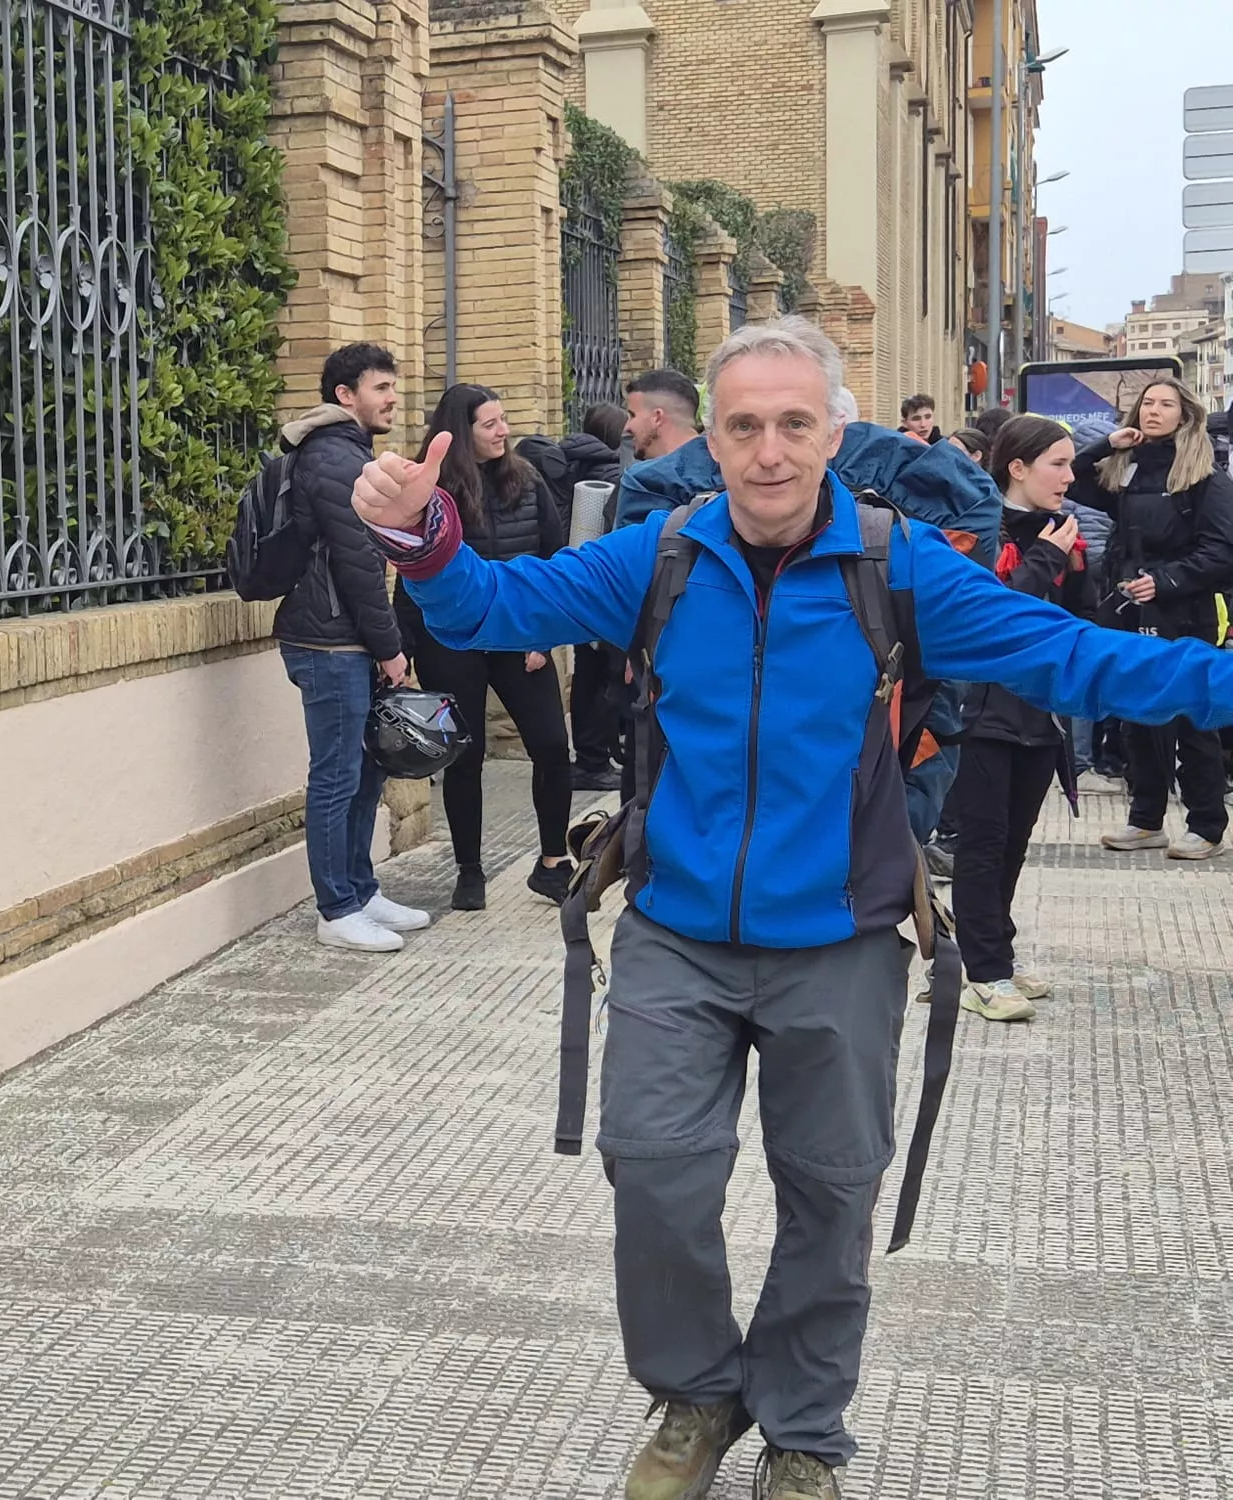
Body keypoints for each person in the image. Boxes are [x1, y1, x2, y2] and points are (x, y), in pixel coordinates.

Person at [351, 315, 1233, 1500]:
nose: (767, 452)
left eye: (792, 425)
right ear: (710, 442)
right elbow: (487, 611)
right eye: (743, 427)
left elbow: (1078, 660)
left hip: (842, 935)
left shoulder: (896, 565)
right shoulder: (657, 558)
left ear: (834, 433)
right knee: (653, 1167)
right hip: (676, 932)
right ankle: (697, 1394)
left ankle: (804, 1429)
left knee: (828, 1188)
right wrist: (419, 535)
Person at [273, 341, 429, 953]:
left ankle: (361, 890)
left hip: (344, 639)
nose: (392, 398)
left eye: (393, 387)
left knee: (365, 771)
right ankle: (335, 909)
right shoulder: (336, 460)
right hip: (329, 641)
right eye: (380, 388)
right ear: (345, 396)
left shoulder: (350, 454)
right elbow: (360, 563)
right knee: (337, 775)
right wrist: (392, 651)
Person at [396, 384, 574, 911]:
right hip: (448, 638)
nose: (503, 432)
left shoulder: (527, 480)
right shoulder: (432, 490)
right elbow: (411, 571)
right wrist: (402, 645)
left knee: (549, 745)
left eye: (503, 420)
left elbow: (554, 558)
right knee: (465, 755)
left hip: (519, 633)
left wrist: (545, 633)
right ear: (459, 431)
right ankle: (469, 871)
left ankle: (552, 862)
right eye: (490, 424)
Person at [946, 418, 1093, 1022]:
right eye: (1058, 463)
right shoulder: (983, 530)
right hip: (981, 712)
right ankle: (979, 972)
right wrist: (1044, 559)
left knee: (1013, 843)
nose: (1069, 476)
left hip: (1041, 713)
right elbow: (994, 616)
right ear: (1018, 468)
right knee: (980, 843)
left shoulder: (1065, 532)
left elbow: (1076, 621)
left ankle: (995, 957)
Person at [1069, 376, 1233, 858]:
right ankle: (1146, 820)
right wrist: (1107, 443)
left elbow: (1223, 551)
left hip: (1185, 611)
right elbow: (1073, 478)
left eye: (1165, 404)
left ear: (1186, 414)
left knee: (1190, 716)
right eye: (1146, 403)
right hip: (1128, 607)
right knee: (1135, 713)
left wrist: (1165, 581)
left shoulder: (1207, 477)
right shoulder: (1127, 470)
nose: (1153, 411)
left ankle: (1206, 825)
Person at [518, 402, 627, 789]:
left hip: (576, 582)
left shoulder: (568, 464)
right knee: (606, 679)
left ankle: (589, 756)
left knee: (586, 675)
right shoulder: (614, 472)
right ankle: (595, 759)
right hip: (604, 588)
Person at [622, 368, 700, 467]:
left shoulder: (642, 479)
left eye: (632, 415)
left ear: (657, 418)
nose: (627, 427)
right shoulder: (721, 469)